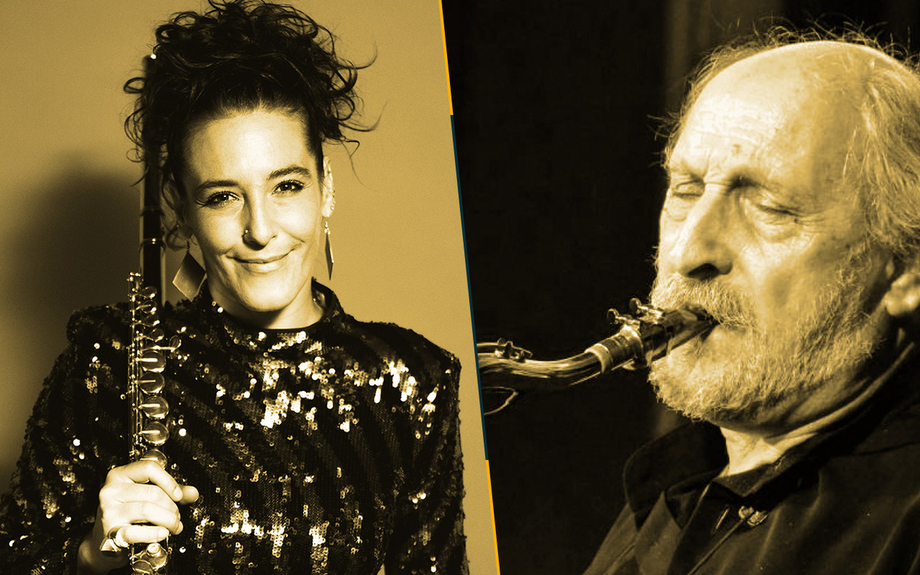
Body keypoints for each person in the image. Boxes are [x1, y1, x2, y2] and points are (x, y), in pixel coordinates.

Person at [0, 1, 468, 573]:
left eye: (287, 186)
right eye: (223, 196)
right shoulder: (110, 358)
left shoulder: (414, 381)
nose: (260, 231)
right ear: (179, 209)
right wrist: (91, 555)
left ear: (325, 188)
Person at [583, 29, 920, 575]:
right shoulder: (676, 484)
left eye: (768, 206)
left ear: (906, 266)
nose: (688, 251)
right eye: (687, 191)